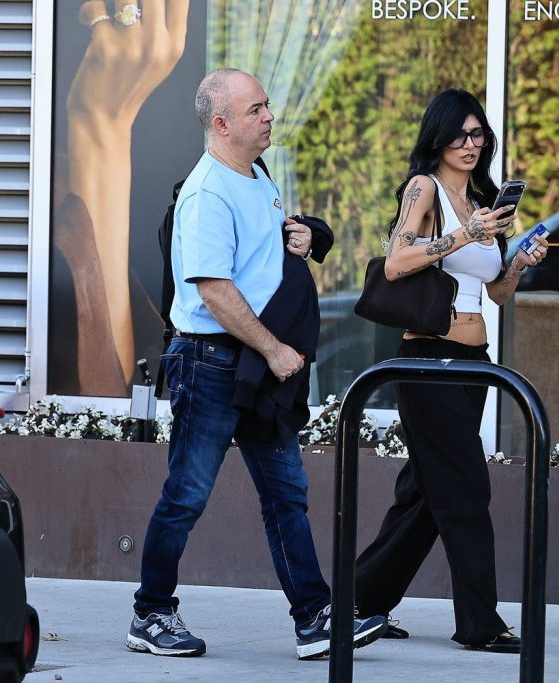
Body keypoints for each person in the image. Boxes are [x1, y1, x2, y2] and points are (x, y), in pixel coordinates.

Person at [126, 68, 386, 660]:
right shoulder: (207, 193)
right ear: (221, 124)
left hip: (252, 365)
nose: (269, 116)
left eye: (266, 106)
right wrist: (273, 349)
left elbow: (258, 260)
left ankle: (314, 617)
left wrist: (299, 236)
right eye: (255, 110)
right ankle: (150, 614)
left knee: (286, 493)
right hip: (212, 364)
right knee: (187, 494)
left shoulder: (257, 174)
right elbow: (215, 290)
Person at [353, 89, 548, 653]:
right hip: (429, 360)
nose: (470, 144)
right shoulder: (424, 188)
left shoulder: (484, 202)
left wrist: (518, 262)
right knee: (464, 489)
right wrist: (466, 233)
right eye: (459, 134)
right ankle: (480, 624)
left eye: (477, 134)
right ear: (438, 139)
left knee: (424, 493)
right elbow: (397, 262)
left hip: (474, 364)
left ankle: (360, 600)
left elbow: (495, 293)